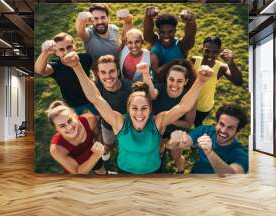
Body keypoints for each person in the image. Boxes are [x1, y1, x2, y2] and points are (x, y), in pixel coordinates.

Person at [63, 51, 213, 174]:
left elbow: (183, 107)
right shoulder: (119, 121)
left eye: (144, 108)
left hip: (154, 171)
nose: (139, 114)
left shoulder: (158, 121)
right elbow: (95, 98)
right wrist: (77, 67)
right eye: (134, 108)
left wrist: (200, 81)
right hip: (125, 170)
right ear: (128, 109)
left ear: (150, 109)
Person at [93, 55, 157, 161]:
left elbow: (150, 95)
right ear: (98, 74)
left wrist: (145, 74)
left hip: (128, 125)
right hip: (107, 125)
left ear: (118, 72)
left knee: (127, 146)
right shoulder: (95, 87)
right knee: (108, 144)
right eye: (103, 72)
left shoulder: (130, 87)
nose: (108, 76)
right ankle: (106, 152)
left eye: (112, 71)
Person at [167, 104, 249, 176]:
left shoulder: (240, 154)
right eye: (221, 124)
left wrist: (209, 153)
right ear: (217, 122)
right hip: (195, 176)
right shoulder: (205, 131)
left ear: (238, 130)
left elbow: (232, 176)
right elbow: (172, 145)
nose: (223, 130)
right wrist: (174, 139)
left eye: (230, 128)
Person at [34, 32, 97, 115]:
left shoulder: (86, 58)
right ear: (56, 52)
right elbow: (39, 70)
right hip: (74, 107)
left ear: (74, 46)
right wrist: (45, 53)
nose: (66, 51)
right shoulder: (56, 66)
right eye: (61, 49)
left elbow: (95, 69)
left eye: (69, 47)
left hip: (93, 100)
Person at [153, 59, 196, 173]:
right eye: (171, 79)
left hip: (177, 131)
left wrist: (168, 119)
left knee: (176, 156)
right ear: (167, 78)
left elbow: (188, 123)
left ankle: (181, 171)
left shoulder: (189, 98)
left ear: (186, 82)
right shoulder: (158, 88)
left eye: (179, 81)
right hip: (159, 128)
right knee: (158, 148)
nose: (174, 84)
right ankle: (161, 155)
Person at [193, 36, 243, 127]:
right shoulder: (193, 61)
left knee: (197, 123)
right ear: (202, 49)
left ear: (219, 52)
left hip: (204, 106)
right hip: (189, 102)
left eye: (214, 52)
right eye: (207, 51)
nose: (210, 55)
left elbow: (238, 82)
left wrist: (231, 63)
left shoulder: (221, 67)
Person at [46, 101, 105, 174]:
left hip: (94, 153)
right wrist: (96, 155)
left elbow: (98, 134)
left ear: (76, 116)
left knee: (100, 169)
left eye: (70, 120)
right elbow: (77, 172)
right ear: (57, 129)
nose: (69, 127)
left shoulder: (90, 120)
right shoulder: (56, 149)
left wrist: (101, 146)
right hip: (80, 165)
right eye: (62, 126)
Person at [143, 7, 196, 74]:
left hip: (176, 82)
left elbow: (189, 37)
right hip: (155, 81)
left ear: (175, 31)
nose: (166, 35)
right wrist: (148, 17)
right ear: (158, 32)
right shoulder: (155, 41)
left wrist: (191, 22)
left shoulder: (180, 45)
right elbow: (147, 34)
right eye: (162, 32)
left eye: (170, 32)